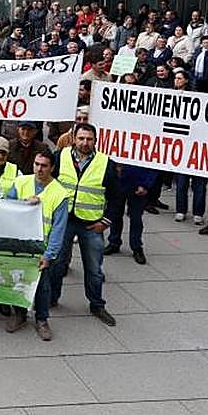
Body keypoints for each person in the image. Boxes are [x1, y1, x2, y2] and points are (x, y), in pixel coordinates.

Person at [50, 123, 121, 326]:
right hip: (64, 221)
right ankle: (51, 299)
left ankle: (97, 305)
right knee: (56, 263)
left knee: (94, 268)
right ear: (74, 139)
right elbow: (48, 184)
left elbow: (116, 197)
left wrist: (105, 222)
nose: (85, 142)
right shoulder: (60, 156)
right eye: (81, 138)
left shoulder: (105, 163)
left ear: (95, 141)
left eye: (89, 139)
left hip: (91, 224)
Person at [6, 150, 69, 340]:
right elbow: (6, 206)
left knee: (42, 286)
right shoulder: (21, 182)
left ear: (52, 168)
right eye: (36, 164)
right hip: (20, 244)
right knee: (19, 282)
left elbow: (58, 228)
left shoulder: (60, 193)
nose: (39, 169)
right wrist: (24, 203)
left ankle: (42, 319)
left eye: (44, 165)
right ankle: (20, 314)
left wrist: (49, 255)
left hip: (42, 247)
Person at [106, 161, 159, 264]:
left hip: (138, 183)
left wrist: (146, 184)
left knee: (136, 218)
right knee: (115, 214)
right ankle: (114, 242)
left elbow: (155, 163)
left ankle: (136, 247)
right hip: (118, 182)